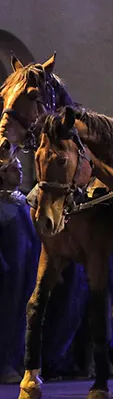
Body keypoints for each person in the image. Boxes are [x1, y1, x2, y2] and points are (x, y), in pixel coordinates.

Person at [0, 158, 40, 383]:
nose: (20, 173)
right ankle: (3, 364)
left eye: (21, 169)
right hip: (9, 270)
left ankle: (17, 363)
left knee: (23, 317)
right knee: (6, 316)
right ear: (3, 174)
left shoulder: (22, 201)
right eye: (15, 169)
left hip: (27, 267)